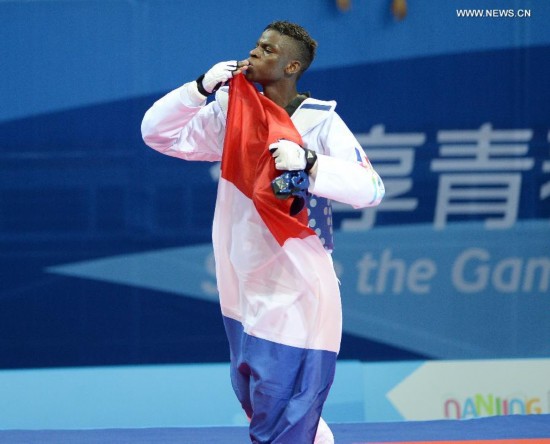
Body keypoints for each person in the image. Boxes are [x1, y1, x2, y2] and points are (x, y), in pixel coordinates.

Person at [141, 20, 384, 444]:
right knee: (251, 383)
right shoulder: (232, 114)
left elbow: (370, 189)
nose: (254, 53)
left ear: (292, 67)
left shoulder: (321, 121)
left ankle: (300, 434)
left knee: (281, 382)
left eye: (268, 50)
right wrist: (197, 89)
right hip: (240, 268)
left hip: (297, 271)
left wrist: (310, 163)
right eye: (256, 45)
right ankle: (308, 435)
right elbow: (157, 134)